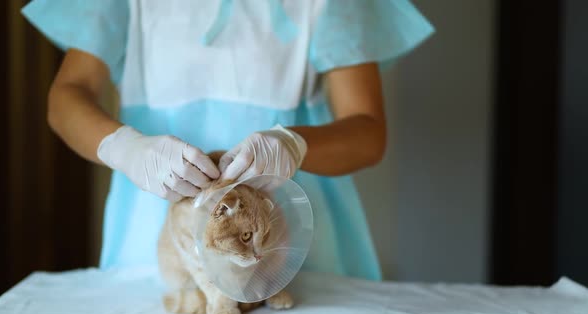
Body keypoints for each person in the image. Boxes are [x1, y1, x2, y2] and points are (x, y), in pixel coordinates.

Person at [22, 0, 433, 281]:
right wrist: (126, 148)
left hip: (285, 239)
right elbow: (66, 95)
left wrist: (293, 144)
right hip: (160, 234)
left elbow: (367, 132)